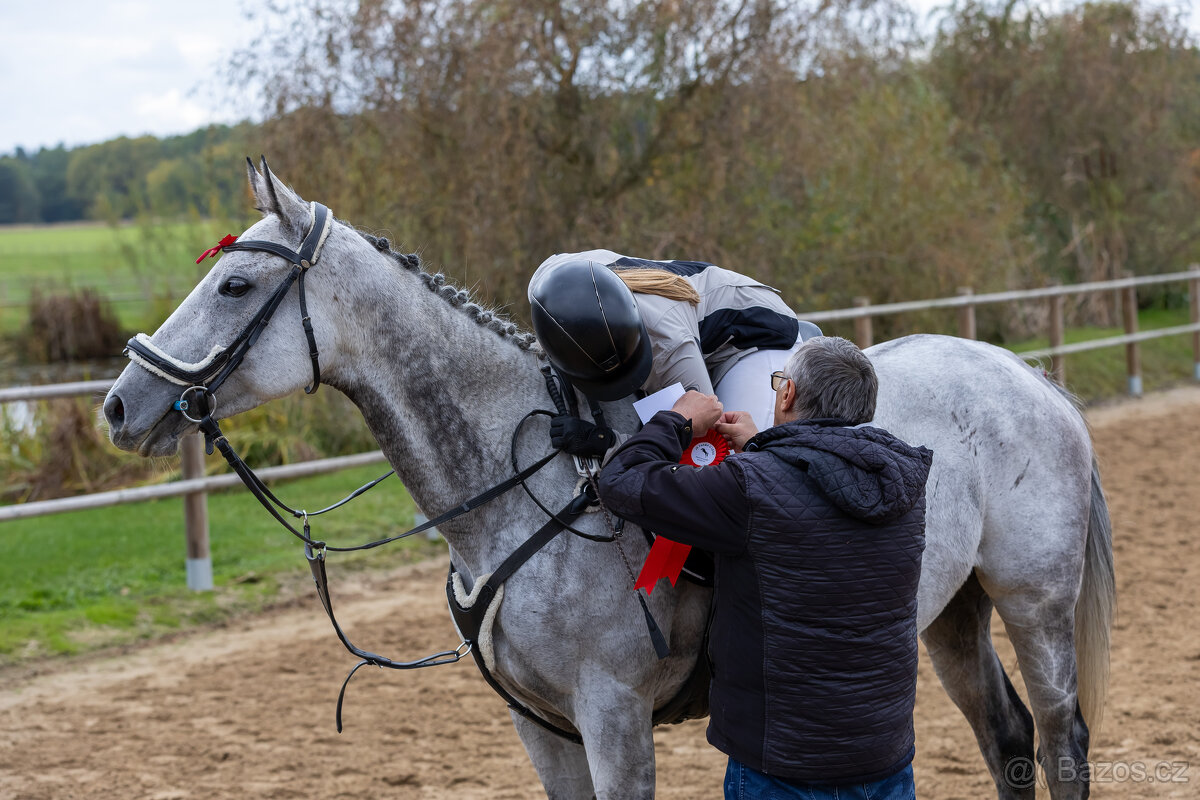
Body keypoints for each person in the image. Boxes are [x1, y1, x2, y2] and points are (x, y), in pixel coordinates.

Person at [596, 336, 933, 800]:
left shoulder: (749, 489)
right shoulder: (903, 482)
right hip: (883, 758)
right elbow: (813, 499)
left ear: (788, 394)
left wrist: (676, 421)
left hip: (781, 766)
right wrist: (761, 447)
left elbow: (623, 482)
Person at [528, 250, 820, 436]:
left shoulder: (669, 346)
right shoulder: (548, 282)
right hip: (691, 330)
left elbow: (702, 430)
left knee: (735, 465)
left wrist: (607, 443)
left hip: (753, 343)